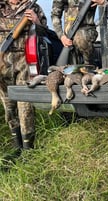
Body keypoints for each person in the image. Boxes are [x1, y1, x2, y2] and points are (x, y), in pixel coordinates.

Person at [0, 0, 47, 159]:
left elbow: (45, 34)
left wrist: (36, 21)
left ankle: (28, 149)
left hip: (24, 63)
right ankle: (17, 146)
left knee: (25, 107)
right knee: (9, 107)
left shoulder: (33, 6)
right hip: (2, 65)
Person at [51, 0, 107, 66]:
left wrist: (103, 2)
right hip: (68, 37)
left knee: (80, 37)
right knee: (70, 69)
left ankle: (90, 65)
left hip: (87, 31)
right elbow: (55, 15)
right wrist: (61, 36)